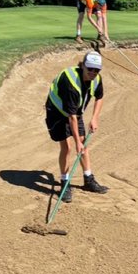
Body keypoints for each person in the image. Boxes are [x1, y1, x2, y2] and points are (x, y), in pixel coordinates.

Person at [45, 50, 109, 196]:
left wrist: (94, 118)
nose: (93, 72)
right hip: (57, 112)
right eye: (90, 69)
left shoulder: (97, 79)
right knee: (67, 147)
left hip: (74, 111)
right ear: (83, 66)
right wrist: (77, 143)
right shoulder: (71, 84)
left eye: (96, 70)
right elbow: (71, 117)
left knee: (83, 145)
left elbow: (99, 97)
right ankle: (65, 183)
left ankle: (88, 179)